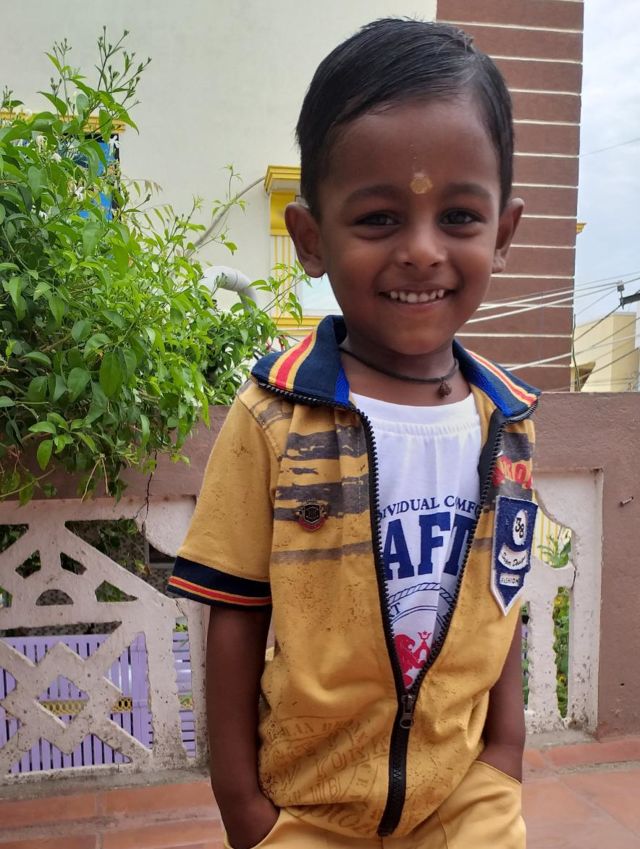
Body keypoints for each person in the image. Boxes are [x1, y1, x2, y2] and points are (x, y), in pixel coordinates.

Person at [168, 17, 540, 849]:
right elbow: (235, 613)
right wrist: (243, 806)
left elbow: (504, 594)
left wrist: (506, 753)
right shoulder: (273, 416)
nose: (421, 251)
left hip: (464, 796)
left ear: (503, 233)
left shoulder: (506, 421)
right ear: (311, 239)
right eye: (377, 219)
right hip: (307, 805)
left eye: (459, 216)